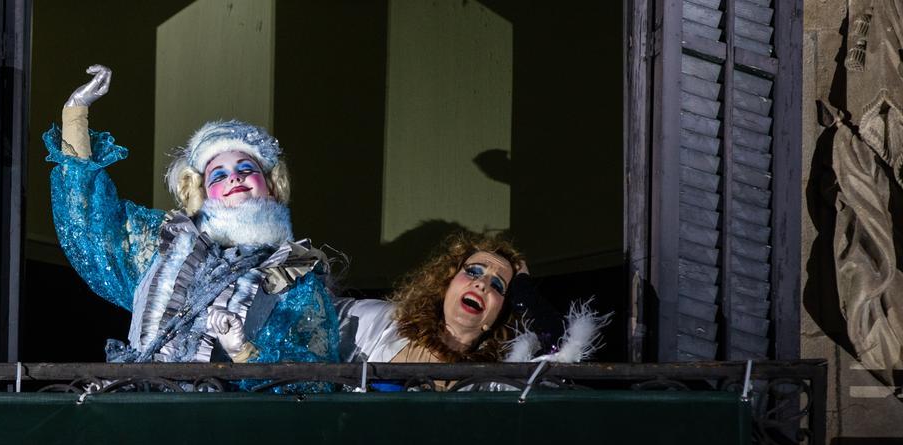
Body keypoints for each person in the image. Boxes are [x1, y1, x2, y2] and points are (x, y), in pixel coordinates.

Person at [45, 65, 338, 364]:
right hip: (146, 403)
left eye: (246, 169)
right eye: (219, 176)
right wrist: (76, 113)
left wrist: (244, 352)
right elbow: (91, 223)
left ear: (272, 186)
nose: (234, 178)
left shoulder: (294, 275)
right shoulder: (166, 245)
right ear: (202, 191)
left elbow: (312, 376)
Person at [336, 231, 602, 364]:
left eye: (498, 286)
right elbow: (310, 315)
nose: (482, 283)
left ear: (496, 317)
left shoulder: (495, 382)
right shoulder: (381, 324)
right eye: (473, 271)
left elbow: (564, 355)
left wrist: (525, 294)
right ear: (446, 285)